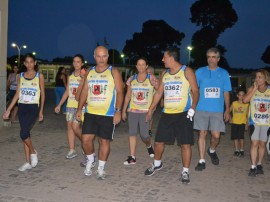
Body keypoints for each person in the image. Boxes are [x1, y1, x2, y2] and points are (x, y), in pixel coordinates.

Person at [144, 47, 199, 184]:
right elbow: (158, 93)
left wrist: (193, 108)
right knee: (158, 142)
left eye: (164, 57)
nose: (162, 60)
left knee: (185, 144)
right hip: (167, 114)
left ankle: (185, 171)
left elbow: (196, 91)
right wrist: (151, 109)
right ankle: (157, 164)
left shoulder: (187, 71)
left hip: (184, 113)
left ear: (171, 58)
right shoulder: (165, 74)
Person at [76, 46, 124, 179]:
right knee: (85, 140)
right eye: (98, 56)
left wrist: (118, 111)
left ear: (107, 56)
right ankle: (91, 160)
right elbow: (85, 91)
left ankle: (101, 168)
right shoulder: (90, 71)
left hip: (107, 114)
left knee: (104, 142)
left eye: (104, 56)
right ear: (94, 56)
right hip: (90, 112)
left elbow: (120, 92)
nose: (101, 59)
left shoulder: (113, 71)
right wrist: (79, 109)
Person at [3, 53, 45, 171]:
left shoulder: (39, 76)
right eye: (27, 62)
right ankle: (27, 162)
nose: (29, 64)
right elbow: (17, 94)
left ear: (35, 63)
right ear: (24, 64)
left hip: (33, 108)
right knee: (25, 133)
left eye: (31, 62)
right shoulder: (20, 76)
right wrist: (8, 110)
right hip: (22, 107)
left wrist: (41, 111)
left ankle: (33, 152)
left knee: (23, 133)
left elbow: (43, 94)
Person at [194, 47, 231, 171]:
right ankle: (201, 160)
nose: (211, 59)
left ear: (218, 59)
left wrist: (227, 110)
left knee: (216, 136)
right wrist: (192, 106)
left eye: (213, 57)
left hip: (217, 110)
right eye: (209, 56)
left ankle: (212, 150)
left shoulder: (224, 73)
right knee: (202, 133)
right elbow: (194, 90)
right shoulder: (199, 71)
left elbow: (226, 92)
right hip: (201, 108)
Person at [122, 58, 158, 165]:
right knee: (132, 133)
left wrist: (152, 109)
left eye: (143, 64)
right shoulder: (132, 79)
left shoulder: (152, 78)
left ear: (146, 66)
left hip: (146, 111)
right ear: (136, 66)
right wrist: (123, 110)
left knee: (144, 135)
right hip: (133, 110)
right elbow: (128, 95)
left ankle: (148, 145)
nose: (141, 66)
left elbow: (158, 93)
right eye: (139, 64)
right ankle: (132, 157)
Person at [55, 54, 87, 160]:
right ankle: (72, 150)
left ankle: (86, 143)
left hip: (81, 106)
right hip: (70, 104)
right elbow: (67, 91)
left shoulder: (86, 75)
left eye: (78, 62)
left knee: (75, 126)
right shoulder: (71, 75)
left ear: (82, 63)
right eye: (74, 61)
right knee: (69, 126)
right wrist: (59, 105)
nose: (76, 63)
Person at [243, 69, 270, 176]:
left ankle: (259, 164)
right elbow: (245, 100)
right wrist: (254, 89)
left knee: (262, 144)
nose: (257, 79)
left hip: (267, 122)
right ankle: (253, 166)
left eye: (260, 77)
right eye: (256, 77)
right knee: (254, 143)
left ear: (266, 79)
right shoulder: (252, 88)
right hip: (254, 121)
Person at [230, 89, 249, 157]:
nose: (241, 96)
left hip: (242, 123)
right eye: (240, 95)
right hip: (235, 122)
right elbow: (229, 111)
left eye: (243, 95)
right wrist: (230, 118)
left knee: (241, 137)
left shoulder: (246, 104)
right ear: (237, 96)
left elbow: (247, 115)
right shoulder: (234, 103)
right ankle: (236, 150)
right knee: (235, 137)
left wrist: (247, 124)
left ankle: (241, 149)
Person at [146, 66, 159, 137]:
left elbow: (159, 92)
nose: (148, 74)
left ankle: (149, 130)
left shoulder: (156, 80)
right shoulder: (143, 80)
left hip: (152, 102)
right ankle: (144, 129)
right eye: (147, 73)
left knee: (151, 116)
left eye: (150, 73)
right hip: (143, 102)